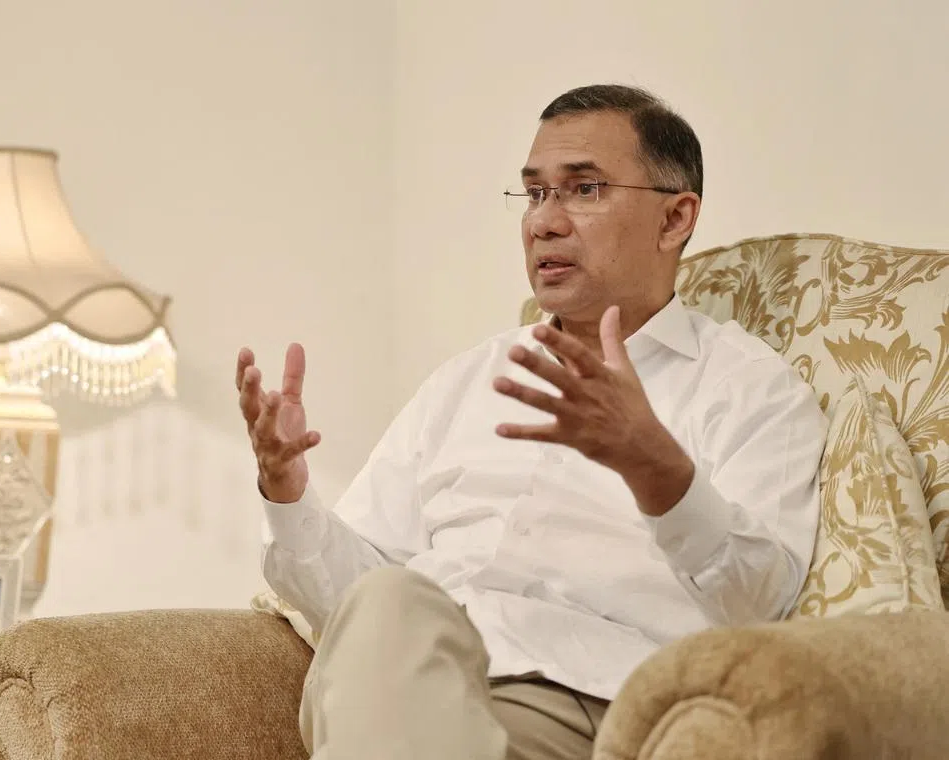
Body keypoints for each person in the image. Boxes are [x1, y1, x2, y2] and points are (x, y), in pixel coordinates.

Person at [236, 84, 826, 760]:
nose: (544, 222)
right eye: (535, 194)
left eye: (583, 190)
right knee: (390, 603)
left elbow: (767, 613)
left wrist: (652, 465)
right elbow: (354, 601)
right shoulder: (465, 381)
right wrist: (286, 492)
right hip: (397, 679)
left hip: (573, 703)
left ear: (674, 220)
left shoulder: (749, 387)